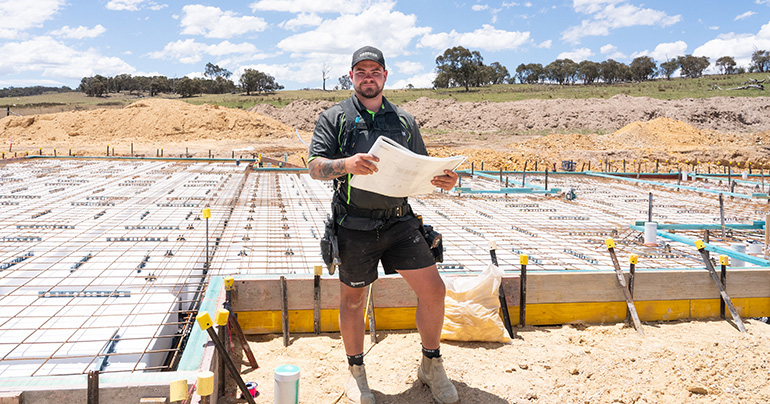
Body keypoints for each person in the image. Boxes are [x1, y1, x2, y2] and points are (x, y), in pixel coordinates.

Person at [307, 46, 460, 404]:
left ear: (385, 76)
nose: (368, 76)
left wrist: (445, 179)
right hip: (353, 225)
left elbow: (423, 165)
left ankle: (431, 364)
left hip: (399, 222)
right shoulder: (335, 117)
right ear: (351, 77)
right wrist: (346, 164)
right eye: (361, 71)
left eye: (375, 70)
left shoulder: (404, 120)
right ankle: (356, 372)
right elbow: (314, 167)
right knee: (353, 300)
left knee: (434, 290)